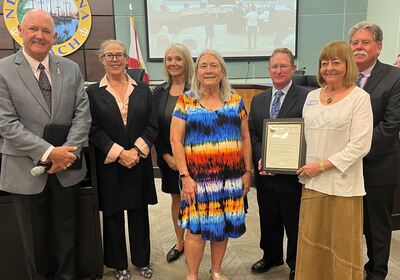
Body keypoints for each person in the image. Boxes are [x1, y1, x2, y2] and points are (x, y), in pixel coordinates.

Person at [0, 9, 91, 280]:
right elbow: (6, 123)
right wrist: (51, 153)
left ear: (54, 37)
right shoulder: (3, 70)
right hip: (24, 169)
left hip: (67, 168)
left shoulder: (71, 68)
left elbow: (82, 114)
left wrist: (67, 154)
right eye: (33, 29)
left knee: (67, 235)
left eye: (46, 31)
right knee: (34, 240)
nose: (39, 36)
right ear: (20, 32)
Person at [170, 49, 252, 280]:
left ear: (222, 71)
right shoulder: (186, 101)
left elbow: (245, 137)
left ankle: (216, 270)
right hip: (197, 179)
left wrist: (248, 172)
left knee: (221, 226)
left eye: (214, 65)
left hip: (230, 177)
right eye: (203, 65)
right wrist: (185, 176)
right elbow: (175, 140)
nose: (208, 70)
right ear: (196, 72)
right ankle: (192, 274)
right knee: (196, 229)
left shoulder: (235, 100)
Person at [295, 40, 373, 280]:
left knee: (341, 249)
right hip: (313, 184)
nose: (329, 67)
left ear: (347, 65)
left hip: (343, 186)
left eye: (336, 62)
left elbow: (360, 145)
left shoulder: (360, 98)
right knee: (312, 245)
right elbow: (304, 136)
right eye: (324, 63)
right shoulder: (311, 97)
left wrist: (321, 166)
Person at [86, 40, 158, 280]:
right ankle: (118, 264)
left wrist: (135, 152)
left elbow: (152, 124)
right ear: (102, 59)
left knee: (139, 212)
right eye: (110, 55)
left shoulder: (142, 89)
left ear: (127, 59)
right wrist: (119, 153)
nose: (115, 59)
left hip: (138, 161)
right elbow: (93, 128)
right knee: (113, 214)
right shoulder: (93, 92)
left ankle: (141, 260)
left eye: (120, 55)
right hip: (111, 162)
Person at [248, 48, 308, 280]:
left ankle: (295, 263)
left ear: (293, 68)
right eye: (275, 66)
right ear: (269, 70)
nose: (279, 70)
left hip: (292, 176)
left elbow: (308, 135)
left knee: (293, 221)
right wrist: (261, 158)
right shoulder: (259, 99)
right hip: (265, 172)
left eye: (284, 66)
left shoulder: (307, 97)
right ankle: (272, 256)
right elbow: (252, 134)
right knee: (268, 216)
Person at [348, 21, 400, 280]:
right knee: (350, 223)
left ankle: (377, 272)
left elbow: (391, 125)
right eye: (354, 42)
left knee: (376, 226)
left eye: (365, 42)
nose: (358, 47)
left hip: (376, 165)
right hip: (345, 169)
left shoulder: (394, 77)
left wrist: (354, 151)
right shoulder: (343, 77)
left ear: (378, 47)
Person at [153, 43, 194, 263]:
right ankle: (180, 242)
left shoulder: (197, 89)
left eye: (178, 59)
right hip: (170, 160)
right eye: (169, 59)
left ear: (186, 62)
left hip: (196, 159)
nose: (173, 63)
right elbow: (154, 127)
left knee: (197, 199)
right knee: (177, 198)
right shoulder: (159, 91)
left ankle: (195, 240)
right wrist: (166, 156)